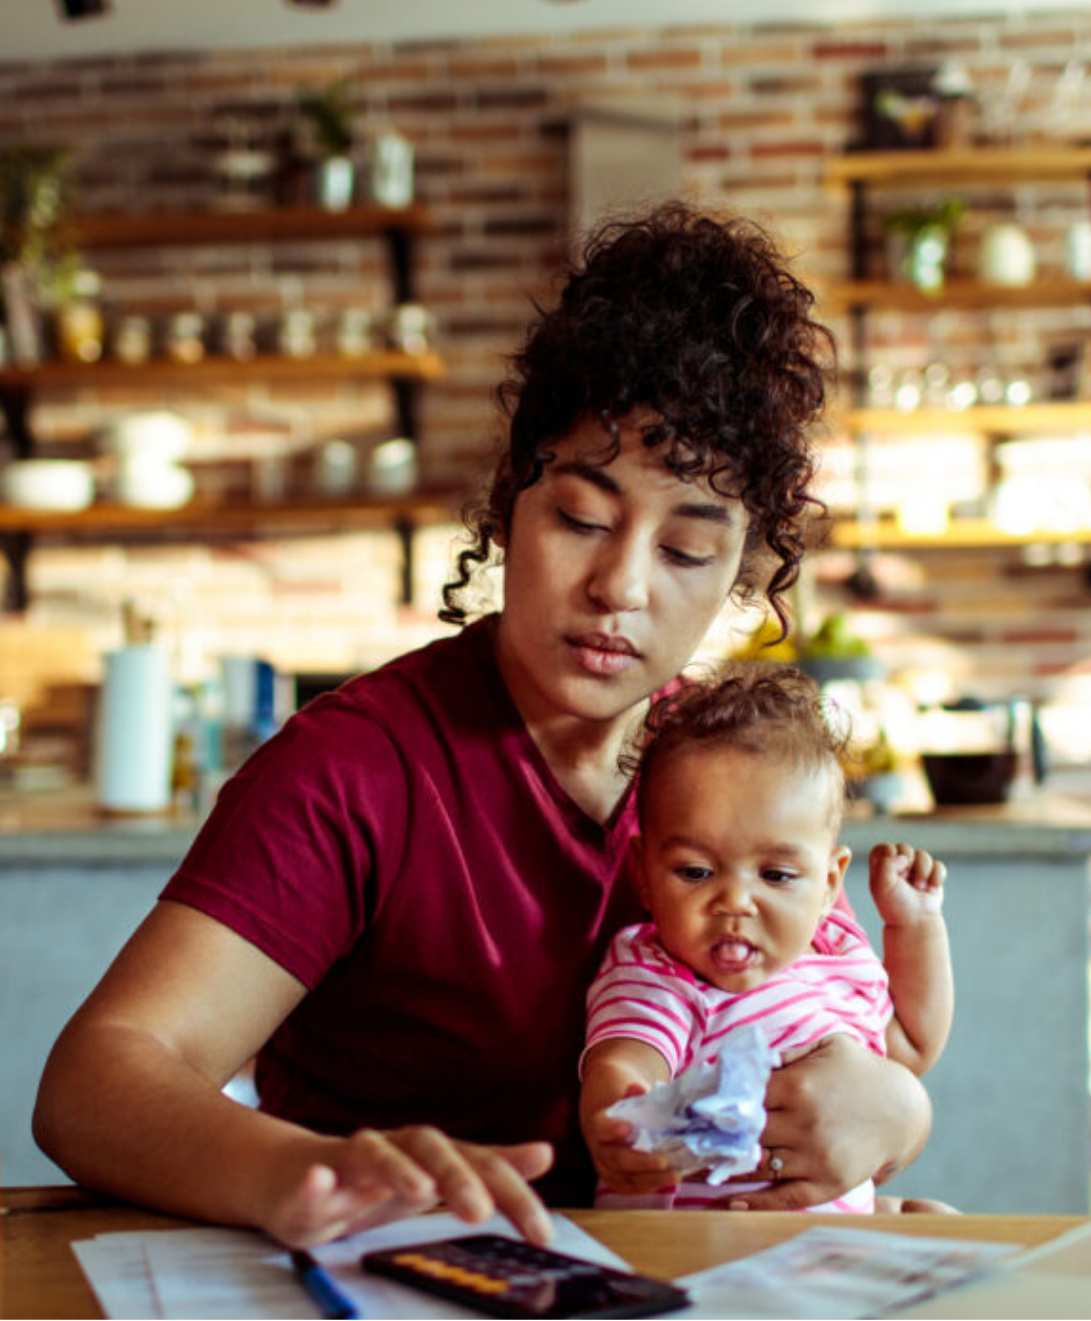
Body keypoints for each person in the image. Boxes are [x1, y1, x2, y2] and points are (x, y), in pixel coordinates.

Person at [33, 201, 932, 1251]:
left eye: (686, 551)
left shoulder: (731, 771)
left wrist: (894, 1116)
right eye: (580, 519)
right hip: (397, 1277)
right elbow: (94, 1083)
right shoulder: (357, 769)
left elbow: (835, 1034)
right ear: (509, 502)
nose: (619, 586)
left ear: (742, 571)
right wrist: (297, 1170)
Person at [580, 662, 953, 1212]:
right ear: (644, 875)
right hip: (704, 1244)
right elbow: (628, 1058)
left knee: (936, 1220)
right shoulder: (660, 972)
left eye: (775, 876)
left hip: (825, 1240)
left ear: (829, 883)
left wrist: (915, 927)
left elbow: (912, 1049)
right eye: (696, 872)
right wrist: (618, 1112)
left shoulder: (835, 955)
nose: (735, 902)